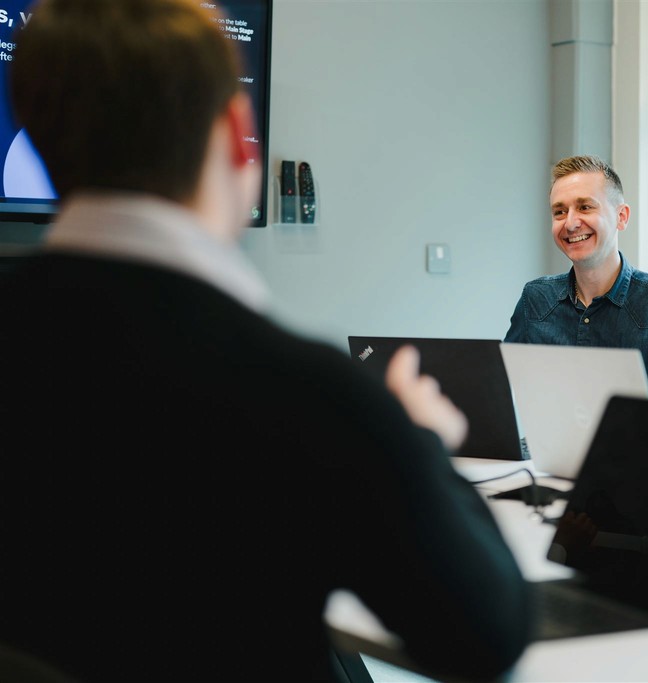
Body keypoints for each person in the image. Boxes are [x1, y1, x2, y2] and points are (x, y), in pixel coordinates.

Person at [0, 1, 529, 680]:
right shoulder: (314, 397)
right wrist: (417, 440)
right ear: (237, 130)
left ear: (37, 136)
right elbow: (489, 634)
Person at [505, 155, 648, 406]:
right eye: (559, 211)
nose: (571, 222)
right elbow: (504, 384)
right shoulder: (535, 299)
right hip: (552, 444)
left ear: (622, 217)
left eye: (585, 207)